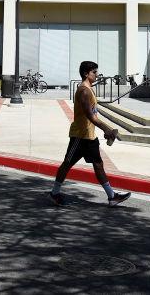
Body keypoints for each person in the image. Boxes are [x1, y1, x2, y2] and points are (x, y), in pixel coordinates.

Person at [50, 60, 131, 207]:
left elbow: (93, 114)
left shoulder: (89, 89)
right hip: (80, 136)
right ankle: (54, 193)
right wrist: (106, 128)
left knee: (98, 164)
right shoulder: (84, 91)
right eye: (94, 72)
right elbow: (90, 115)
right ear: (86, 74)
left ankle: (112, 196)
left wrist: (103, 129)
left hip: (89, 136)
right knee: (67, 164)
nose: (97, 75)